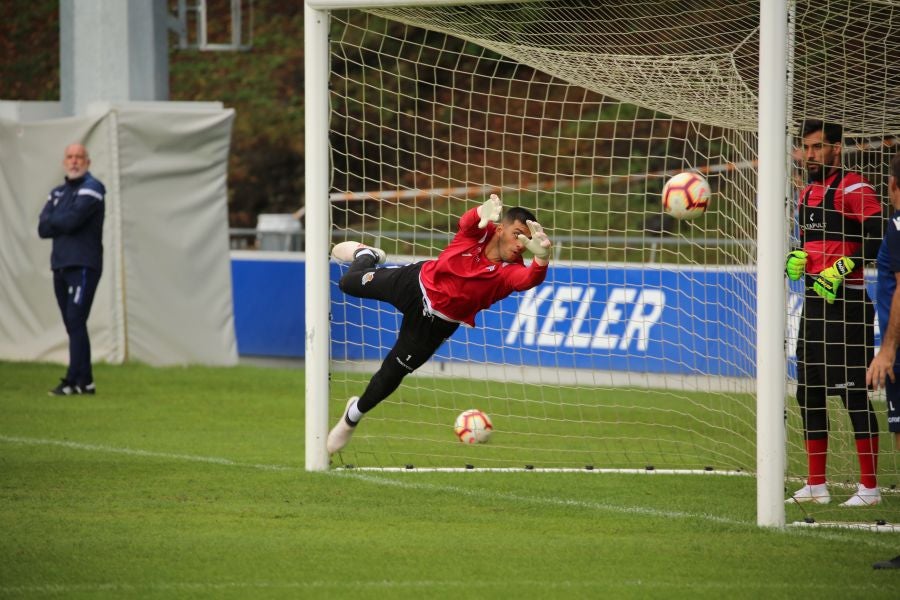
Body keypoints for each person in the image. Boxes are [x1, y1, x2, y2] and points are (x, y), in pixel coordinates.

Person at [326, 194, 551, 454]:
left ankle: (350, 418)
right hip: (414, 283)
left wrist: (542, 258)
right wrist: (481, 211)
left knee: (392, 373)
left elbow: (527, 280)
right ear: (500, 229)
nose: (521, 243)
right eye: (517, 234)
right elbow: (467, 222)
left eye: (527, 239)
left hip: (434, 325)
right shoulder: (479, 232)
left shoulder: (509, 271)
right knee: (347, 283)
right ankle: (366, 254)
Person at [784, 120, 884, 506]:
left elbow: (880, 238)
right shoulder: (806, 193)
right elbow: (809, 244)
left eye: (818, 147)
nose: (810, 155)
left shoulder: (855, 188)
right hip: (813, 305)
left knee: (853, 394)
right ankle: (816, 484)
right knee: (808, 392)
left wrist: (844, 267)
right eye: (806, 148)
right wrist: (797, 257)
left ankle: (870, 489)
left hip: (850, 304)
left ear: (837, 149)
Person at [38, 143, 106, 396]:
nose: (74, 161)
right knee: (72, 323)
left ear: (88, 161)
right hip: (60, 264)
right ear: (63, 162)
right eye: (70, 156)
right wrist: (60, 220)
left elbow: (73, 219)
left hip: (83, 264)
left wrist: (58, 219)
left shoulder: (93, 188)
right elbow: (43, 228)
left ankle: (71, 380)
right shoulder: (57, 192)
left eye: (79, 157)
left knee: (76, 319)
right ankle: (85, 381)